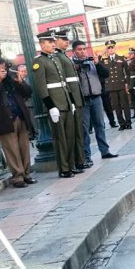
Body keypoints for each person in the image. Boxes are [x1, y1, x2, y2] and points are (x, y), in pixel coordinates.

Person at [0, 59, 36, 188]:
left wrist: (21, 82)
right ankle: (17, 177)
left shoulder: (11, 80)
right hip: (5, 121)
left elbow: (27, 93)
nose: (4, 72)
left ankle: (26, 174)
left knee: (24, 147)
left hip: (20, 117)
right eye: (0, 70)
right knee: (12, 150)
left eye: (5, 69)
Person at [33, 30, 76, 178]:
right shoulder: (39, 62)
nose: (53, 44)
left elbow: (64, 83)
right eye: (50, 42)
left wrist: (71, 101)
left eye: (53, 41)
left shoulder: (55, 59)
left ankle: (71, 165)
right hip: (56, 104)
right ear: (42, 44)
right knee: (60, 138)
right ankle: (64, 168)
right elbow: (41, 87)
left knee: (70, 136)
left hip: (66, 102)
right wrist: (51, 106)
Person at [72, 40, 118, 166]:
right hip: (82, 100)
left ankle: (105, 151)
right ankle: (86, 156)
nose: (82, 51)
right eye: (79, 49)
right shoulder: (71, 64)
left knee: (100, 125)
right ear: (74, 51)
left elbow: (106, 74)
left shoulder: (92, 61)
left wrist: (97, 64)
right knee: (84, 129)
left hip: (97, 97)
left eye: (84, 49)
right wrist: (77, 67)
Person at [53, 30, 85, 174]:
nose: (67, 42)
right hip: (70, 97)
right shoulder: (57, 57)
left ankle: (79, 161)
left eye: (67, 40)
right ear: (56, 41)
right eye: (63, 39)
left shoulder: (64, 55)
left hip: (75, 97)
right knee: (72, 133)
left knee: (78, 132)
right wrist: (71, 99)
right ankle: (75, 162)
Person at [102, 40, 132, 130]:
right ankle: (121, 123)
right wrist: (102, 53)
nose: (110, 49)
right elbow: (97, 63)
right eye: (108, 48)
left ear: (115, 48)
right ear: (106, 49)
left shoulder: (121, 58)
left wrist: (127, 84)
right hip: (111, 86)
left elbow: (127, 73)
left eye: (112, 47)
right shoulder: (104, 60)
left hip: (121, 85)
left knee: (125, 105)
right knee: (116, 106)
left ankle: (128, 122)